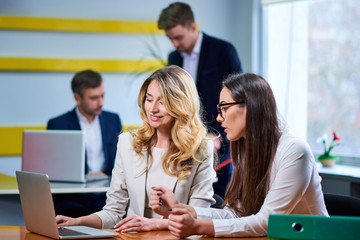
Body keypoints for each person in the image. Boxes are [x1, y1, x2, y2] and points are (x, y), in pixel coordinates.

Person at [150, 73, 329, 238]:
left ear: (250, 107)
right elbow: (235, 213)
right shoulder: (246, 150)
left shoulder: (295, 150)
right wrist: (182, 210)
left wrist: (197, 227)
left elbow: (267, 221)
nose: (219, 118)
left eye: (224, 108)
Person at [55, 65, 216, 231]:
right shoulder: (127, 142)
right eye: (149, 99)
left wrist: (154, 224)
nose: (152, 109)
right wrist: (78, 222)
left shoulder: (201, 149)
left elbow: (199, 217)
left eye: (162, 102)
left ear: (180, 104)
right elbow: (113, 212)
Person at [158, 2, 243, 198]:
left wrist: (217, 135)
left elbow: (237, 100)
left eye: (178, 37)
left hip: (222, 144)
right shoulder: (174, 58)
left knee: (219, 201)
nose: (175, 44)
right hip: (187, 143)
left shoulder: (223, 51)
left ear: (193, 27)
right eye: (171, 39)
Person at [47, 70, 122, 216]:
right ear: (77, 98)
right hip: (73, 196)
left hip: (105, 195)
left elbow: (120, 161)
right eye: (94, 98)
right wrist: (87, 176)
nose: (100, 102)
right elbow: (54, 170)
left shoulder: (113, 120)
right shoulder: (58, 124)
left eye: (102, 95)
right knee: (70, 210)